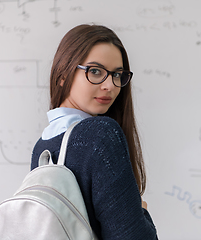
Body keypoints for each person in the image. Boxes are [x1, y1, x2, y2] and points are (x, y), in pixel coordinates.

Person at [31, 24, 158, 239]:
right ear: (63, 74)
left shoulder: (42, 147)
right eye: (96, 71)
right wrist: (141, 212)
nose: (110, 85)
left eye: (117, 74)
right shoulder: (100, 135)